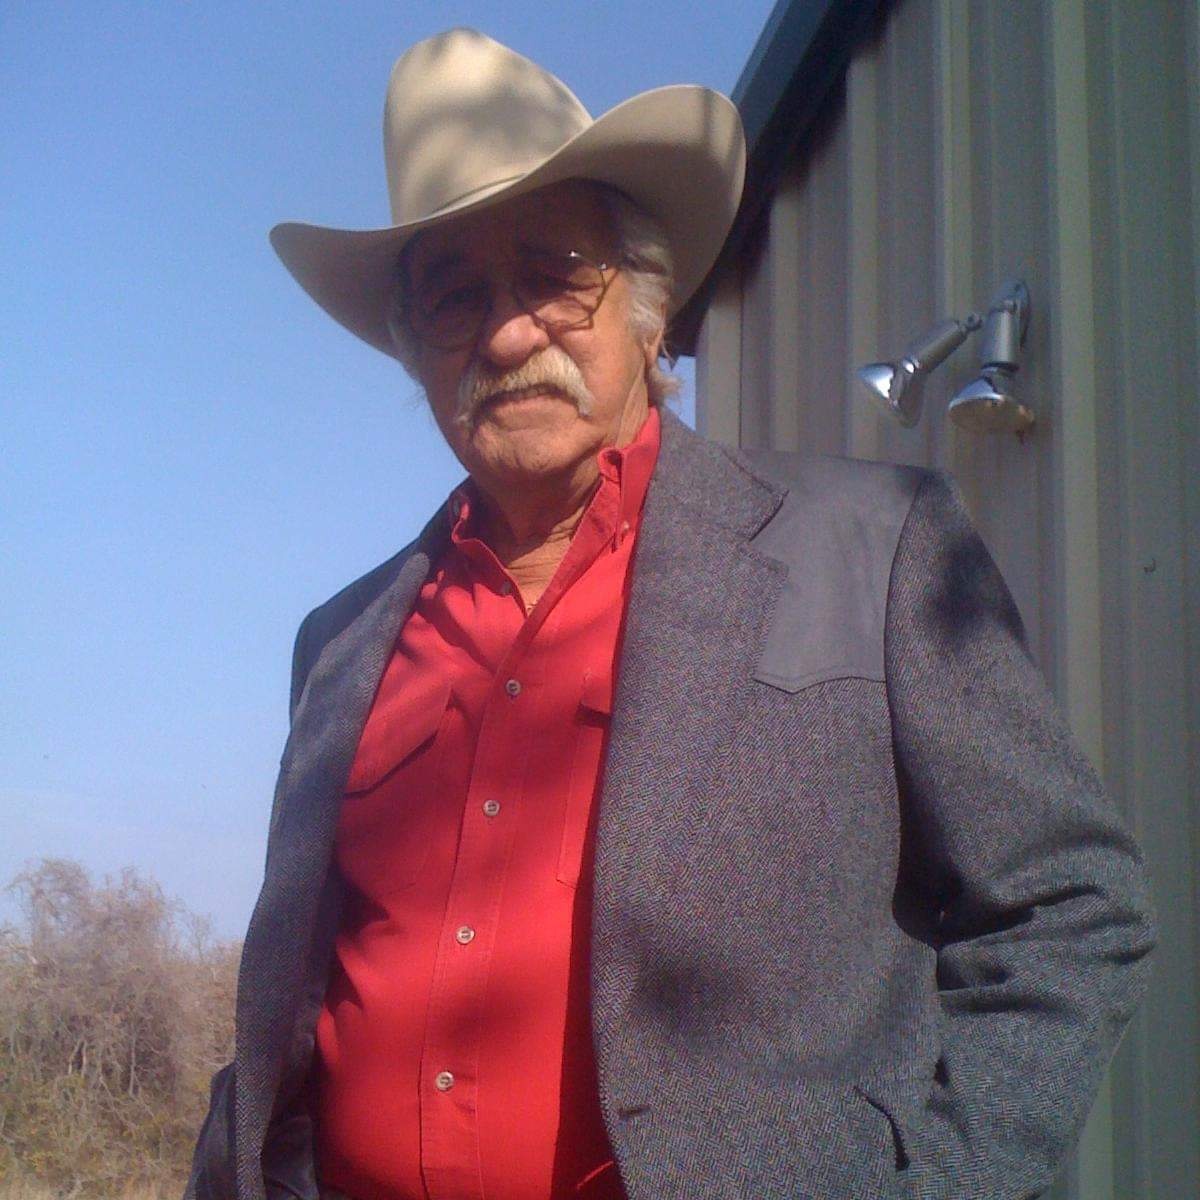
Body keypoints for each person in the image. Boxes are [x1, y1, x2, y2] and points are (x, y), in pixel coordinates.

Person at [185, 28, 1156, 1200]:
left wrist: (939, 1178)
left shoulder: (868, 548)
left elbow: (1068, 904)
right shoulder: (340, 642)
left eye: (554, 273)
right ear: (416, 357)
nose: (507, 332)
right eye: (453, 297)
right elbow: (293, 1009)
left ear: (648, 313)